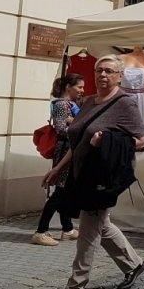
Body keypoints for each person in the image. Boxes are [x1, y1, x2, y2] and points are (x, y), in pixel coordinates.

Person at [43, 55, 144, 289]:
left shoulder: (125, 103)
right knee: (101, 223)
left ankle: (76, 285)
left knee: (88, 233)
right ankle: (134, 264)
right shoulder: (89, 101)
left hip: (102, 175)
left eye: (109, 71)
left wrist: (106, 141)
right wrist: (58, 168)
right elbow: (78, 141)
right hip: (81, 173)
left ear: (119, 76)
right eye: (99, 70)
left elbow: (142, 140)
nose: (103, 75)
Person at [33, 73, 85, 246]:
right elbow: (61, 128)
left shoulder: (70, 104)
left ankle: (67, 229)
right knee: (60, 192)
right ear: (68, 87)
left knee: (65, 189)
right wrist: (79, 124)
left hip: (69, 150)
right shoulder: (62, 104)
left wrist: (74, 121)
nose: (82, 90)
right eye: (79, 87)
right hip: (64, 151)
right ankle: (41, 231)